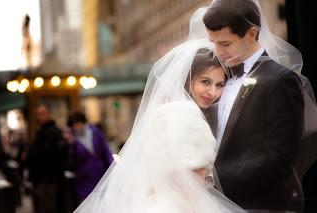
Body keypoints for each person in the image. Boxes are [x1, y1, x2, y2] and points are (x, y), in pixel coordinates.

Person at [73, 36, 246, 212]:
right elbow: (189, 182)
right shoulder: (186, 113)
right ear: (189, 78)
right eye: (205, 82)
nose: (213, 92)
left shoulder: (163, 112)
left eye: (220, 85)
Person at [200, 0, 315, 212]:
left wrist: (210, 179)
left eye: (225, 44)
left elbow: (278, 159)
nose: (217, 51)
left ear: (252, 34)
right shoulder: (216, 80)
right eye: (213, 42)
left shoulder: (280, 80)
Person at [25, 103, 66, 213]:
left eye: (42, 113)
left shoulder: (53, 132)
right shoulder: (41, 132)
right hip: (42, 179)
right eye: (38, 114)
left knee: (48, 207)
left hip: (49, 179)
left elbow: (48, 155)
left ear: (48, 114)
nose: (40, 117)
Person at [66, 112, 113, 203]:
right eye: (74, 125)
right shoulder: (72, 141)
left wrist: (111, 167)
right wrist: (71, 144)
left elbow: (106, 151)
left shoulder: (96, 133)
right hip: (84, 181)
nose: (77, 127)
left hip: (100, 175)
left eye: (78, 123)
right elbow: (74, 160)